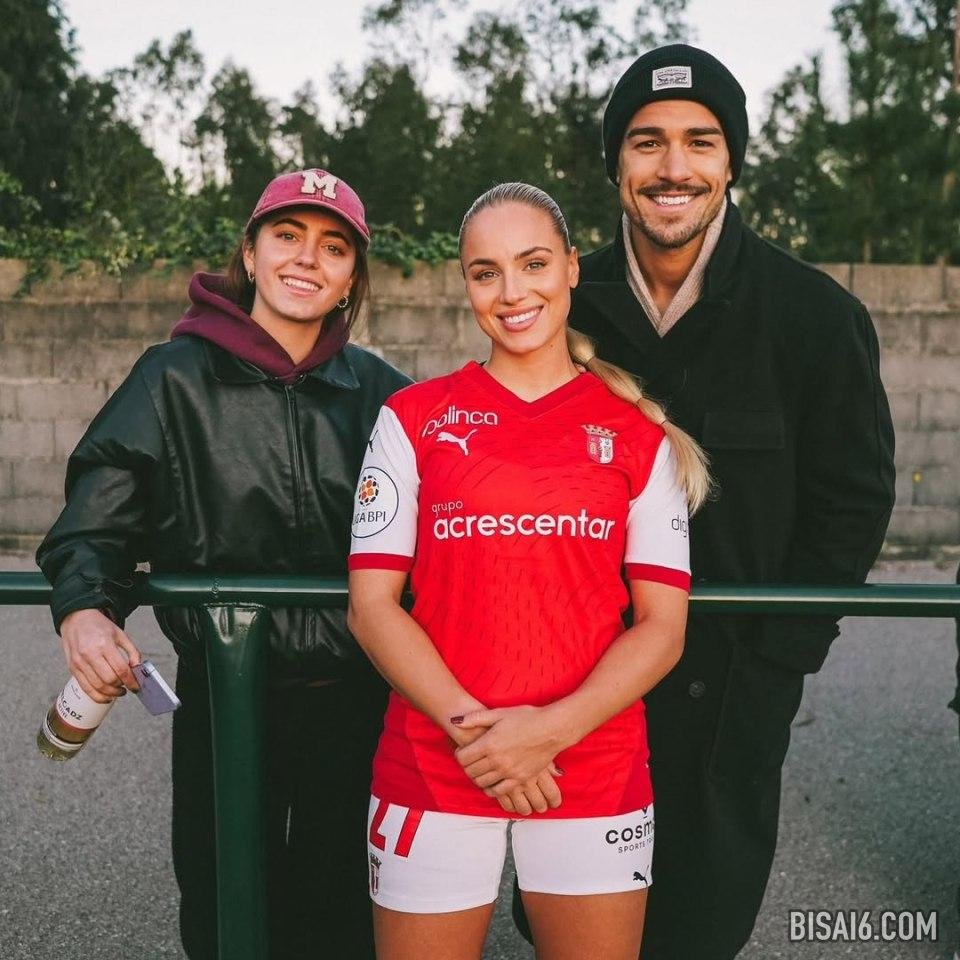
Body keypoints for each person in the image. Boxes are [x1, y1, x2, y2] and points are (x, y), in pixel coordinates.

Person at [508, 43, 895, 960]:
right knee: (565, 918)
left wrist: (780, 659)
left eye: (700, 141)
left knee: (702, 921)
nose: (672, 166)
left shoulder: (814, 316)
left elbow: (853, 500)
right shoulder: (560, 305)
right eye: (647, 142)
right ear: (616, 163)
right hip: (579, 685)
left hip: (731, 692)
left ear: (732, 161)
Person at [36, 169, 411, 960]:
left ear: (352, 277)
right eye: (287, 235)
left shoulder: (383, 393)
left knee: (344, 913)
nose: (306, 258)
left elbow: (443, 534)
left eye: (334, 246)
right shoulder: (171, 378)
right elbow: (96, 516)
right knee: (223, 906)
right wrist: (85, 608)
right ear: (249, 252)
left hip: (357, 701)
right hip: (227, 697)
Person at [346, 181, 710, 960]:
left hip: (593, 767)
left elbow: (663, 629)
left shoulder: (636, 436)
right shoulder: (412, 419)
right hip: (434, 763)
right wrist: (486, 743)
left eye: (534, 263)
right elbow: (372, 607)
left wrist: (546, 733)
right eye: (487, 272)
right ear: (466, 284)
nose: (512, 292)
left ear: (572, 267)